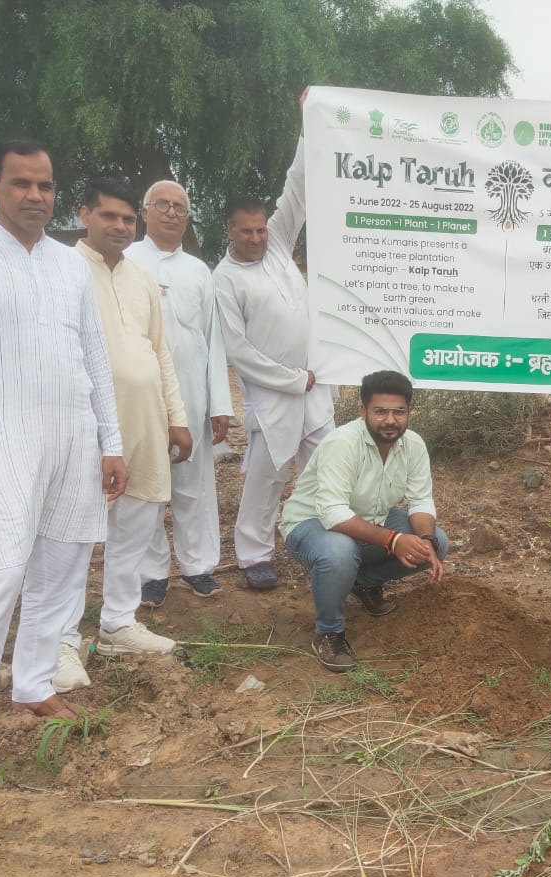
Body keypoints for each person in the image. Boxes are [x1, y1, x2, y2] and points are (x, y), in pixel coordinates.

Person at [0, 138, 129, 782]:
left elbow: (93, 357)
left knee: (64, 566)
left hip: (72, 436)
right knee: (1, 576)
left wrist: (110, 442)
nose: (34, 197)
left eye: (44, 185)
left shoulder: (70, 265)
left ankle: (33, 681)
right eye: (21, 184)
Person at [60, 178, 190, 691]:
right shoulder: (61, 269)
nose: (118, 226)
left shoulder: (140, 277)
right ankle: (61, 641)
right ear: (84, 214)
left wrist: (175, 415)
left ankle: (117, 622)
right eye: (107, 216)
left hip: (145, 418)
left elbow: (159, 352)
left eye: (125, 219)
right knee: (73, 531)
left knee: (138, 518)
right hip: (83, 423)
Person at [215, 119, 334, 591]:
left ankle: (321, 544)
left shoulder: (280, 245)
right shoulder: (224, 280)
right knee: (265, 480)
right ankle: (254, 555)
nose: (257, 238)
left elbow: (297, 187)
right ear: (230, 230)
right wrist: (290, 379)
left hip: (316, 388)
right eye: (247, 232)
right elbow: (238, 351)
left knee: (327, 471)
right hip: (273, 397)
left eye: (261, 229)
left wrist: (308, 125)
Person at [280, 370, 447, 673]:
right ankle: (329, 631)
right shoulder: (342, 443)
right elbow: (332, 512)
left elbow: (420, 500)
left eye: (399, 412)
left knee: (438, 542)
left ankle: (364, 583)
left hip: (369, 521)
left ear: (409, 412)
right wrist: (394, 540)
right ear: (363, 411)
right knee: (339, 553)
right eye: (380, 411)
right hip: (311, 524)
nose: (390, 420)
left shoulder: (414, 445)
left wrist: (426, 541)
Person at [127, 180, 233, 606]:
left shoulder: (198, 271)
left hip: (192, 396)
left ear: (187, 218)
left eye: (180, 208)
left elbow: (213, 341)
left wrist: (219, 404)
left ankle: (198, 566)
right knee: (147, 484)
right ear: (145, 211)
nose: (171, 213)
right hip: (141, 397)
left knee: (194, 486)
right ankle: (151, 573)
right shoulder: (127, 262)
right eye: (163, 205)